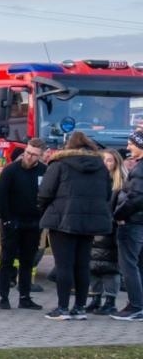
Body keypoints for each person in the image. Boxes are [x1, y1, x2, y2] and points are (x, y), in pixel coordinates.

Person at [36, 131, 113, 320]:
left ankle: (62, 308)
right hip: (90, 222)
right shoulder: (100, 167)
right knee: (82, 265)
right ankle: (79, 308)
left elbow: (45, 192)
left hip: (62, 220)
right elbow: (107, 194)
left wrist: (45, 209)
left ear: (68, 146)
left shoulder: (59, 164)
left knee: (64, 265)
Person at [0, 138, 47, 309]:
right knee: (7, 259)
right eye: (28, 153)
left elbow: (48, 195)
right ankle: (4, 297)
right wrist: (6, 219)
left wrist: (41, 218)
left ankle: (25, 296)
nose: (29, 157)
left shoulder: (44, 171)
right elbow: (1, 196)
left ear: (41, 156)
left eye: (34, 155)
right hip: (12, 221)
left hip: (33, 222)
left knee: (27, 261)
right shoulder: (11, 170)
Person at [85, 148, 126, 315]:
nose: (106, 163)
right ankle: (95, 299)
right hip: (94, 227)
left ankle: (110, 301)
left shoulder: (121, 184)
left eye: (110, 160)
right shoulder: (93, 180)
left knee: (110, 267)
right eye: (104, 160)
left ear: (116, 163)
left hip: (111, 228)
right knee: (93, 265)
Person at [113, 129, 143, 320]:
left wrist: (119, 214)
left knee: (128, 265)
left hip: (132, 223)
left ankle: (135, 305)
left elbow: (137, 197)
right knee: (139, 265)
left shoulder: (140, 170)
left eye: (131, 143)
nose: (128, 147)